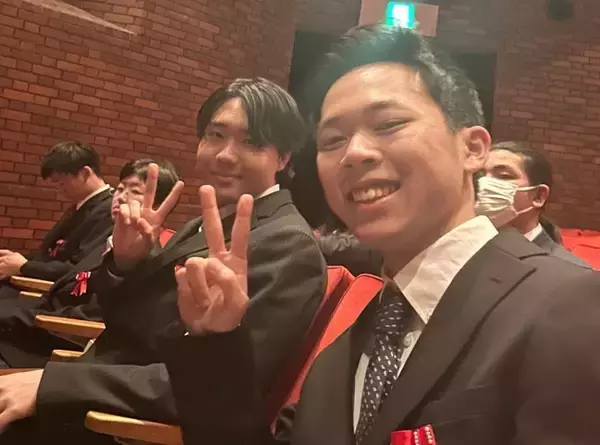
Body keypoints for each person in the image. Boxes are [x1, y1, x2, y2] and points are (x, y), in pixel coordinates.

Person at [157, 26, 600, 445]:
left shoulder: (566, 306)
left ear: (473, 148)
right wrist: (216, 342)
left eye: (388, 125)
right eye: (332, 140)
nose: (354, 153)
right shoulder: (339, 356)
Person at [0, 78, 326, 445]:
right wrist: (126, 262)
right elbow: (126, 321)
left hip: (122, 424)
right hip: (100, 382)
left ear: (283, 158)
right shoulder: (205, 222)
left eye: (251, 142)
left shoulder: (287, 244)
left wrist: (54, 385)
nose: (225, 154)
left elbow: (213, 389)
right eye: (216, 135)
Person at [0, 159, 180, 369]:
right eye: (120, 188)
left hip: (64, 340)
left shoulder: (152, 256)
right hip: (44, 320)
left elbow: (94, 315)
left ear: (159, 205)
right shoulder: (108, 240)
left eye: (135, 191)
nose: (122, 197)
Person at [0, 141, 113, 286]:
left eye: (61, 184)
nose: (59, 192)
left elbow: (80, 267)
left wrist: (25, 266)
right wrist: (15, 261)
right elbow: (50, 255)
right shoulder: (79, 207)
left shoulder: (109, 210)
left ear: (85, 173)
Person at [477, 140, 589, 267]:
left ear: (539, 196)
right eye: (480, 175)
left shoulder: (570, 270)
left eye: (503, 176)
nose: (484, 182)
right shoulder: (466, 249)